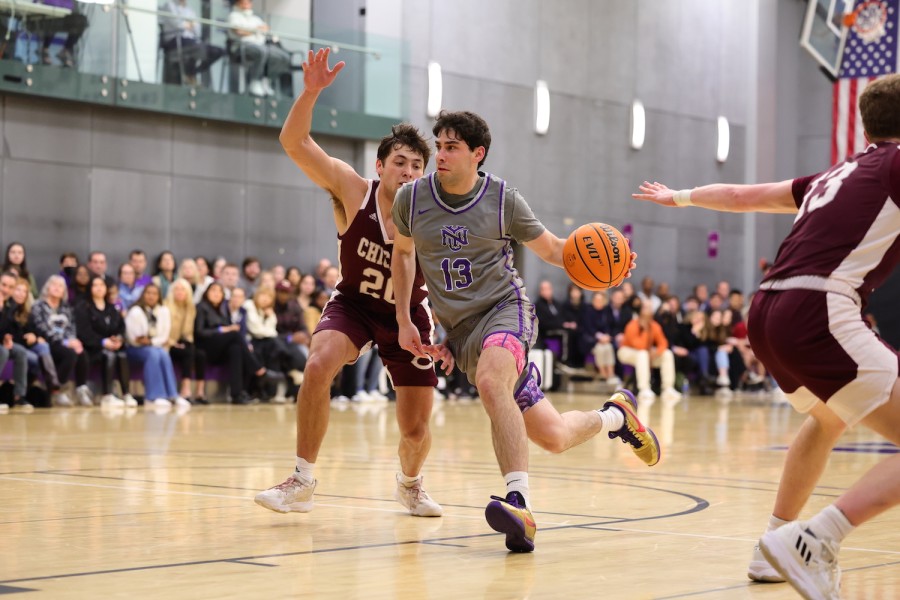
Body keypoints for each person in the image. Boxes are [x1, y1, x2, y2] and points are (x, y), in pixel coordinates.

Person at [632, 73, 900, 599]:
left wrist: (681, 196)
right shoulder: (895, 165)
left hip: (767, 308)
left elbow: (738, 194)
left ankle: (773, 542)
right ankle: (817, 538)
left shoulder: (834, 175)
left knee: (826, 418)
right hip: (818, 306)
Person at [391, 109, 659, 553]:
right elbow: (403, 255)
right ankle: (616, 416)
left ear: (478, 154)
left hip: (504, 311)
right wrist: (404, 317)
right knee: (553, 436)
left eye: (451, 147)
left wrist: (611, 268)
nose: (440, 155)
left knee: (492, 381)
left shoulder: (501, 200)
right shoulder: (411, 199)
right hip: (461, 335)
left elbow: (555, 248)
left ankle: (520, 504)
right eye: (438, 146)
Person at [255, 48, 454, 518]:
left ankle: (410, 483)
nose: (408, 172)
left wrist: (452, 334)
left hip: (409, 314)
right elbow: (294, 142)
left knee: (415, 430)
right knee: (320, 361)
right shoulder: (352, 188)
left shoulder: (433, 215)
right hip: (355, 304)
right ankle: (302, 478)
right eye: (400, 162)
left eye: (416, 167)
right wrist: (310, 93)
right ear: (381, 165)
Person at [124, 284, 190, 410]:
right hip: (134, 349)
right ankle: (154, 396)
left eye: (154, 293)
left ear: (159, 296)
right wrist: (149, 341)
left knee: (163, 353)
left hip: (154, 347)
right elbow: (134, 338)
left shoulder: (163, 311)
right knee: (154, 353)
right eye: (148, 293)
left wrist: (150, 342)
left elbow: (164, 336)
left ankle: (172, 394)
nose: (151, 296)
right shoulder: (135, 311)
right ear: (143, 294)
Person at [32, 275, 92, 406]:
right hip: (47, 343)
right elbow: (41, 328)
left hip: (65, 342)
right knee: (69, 354)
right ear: (47, 288)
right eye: (54, 285)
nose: (57, 288)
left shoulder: (66, 308)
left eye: (60, 286)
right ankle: (57, 391)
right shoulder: (38, 305)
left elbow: (71, 328)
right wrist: (64, 342)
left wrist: (73, 341)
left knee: (82, 353)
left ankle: (81, 389)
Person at [75, 276, 134, 407]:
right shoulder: (84, 307)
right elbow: (83, 332)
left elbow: (120, 327)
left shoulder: (112, 308)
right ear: (90, 288)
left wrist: (118, 338)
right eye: (95, 285)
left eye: (102, 285)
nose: (99, 288)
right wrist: (102, 342)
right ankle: (107, 395)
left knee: (122, 355)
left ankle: (126, 394)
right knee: (109, 354)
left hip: (111, 346)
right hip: (91, 348)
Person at [227, 0, 292, 97]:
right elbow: (239, 31)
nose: (246, 5)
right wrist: (256, 30)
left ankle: (267, 80)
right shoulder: (233, 16)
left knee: (283, 57)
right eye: (243, 3)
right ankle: (255, 80)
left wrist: (251, 30)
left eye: (248, 3)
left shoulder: (255, 18)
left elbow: (265, 28)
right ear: (237, 4)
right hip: (243, 46)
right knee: (262, 52)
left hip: (261, 44)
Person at [159, 0, 225, 85]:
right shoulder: (169, 5)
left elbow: (197, 30)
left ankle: (192, 72)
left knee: (218, 51)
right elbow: (178, 24)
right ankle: (190, 75)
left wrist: (188, 24)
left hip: (192, 41)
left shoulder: (190, 10)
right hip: (175, 40)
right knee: (198, 48)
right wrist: (189, 24)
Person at [165, 278, 207, 403]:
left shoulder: (191, 308)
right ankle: (185, 389)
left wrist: (184, 342)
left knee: (201, 354)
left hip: (183, 343)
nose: (179, 292)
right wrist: (173, 343)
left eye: (182, 289)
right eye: (176, 289)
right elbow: (162, 331)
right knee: (188, 352)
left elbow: (188, 334)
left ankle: (200, 392)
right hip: (167, 344)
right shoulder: (165, 306)